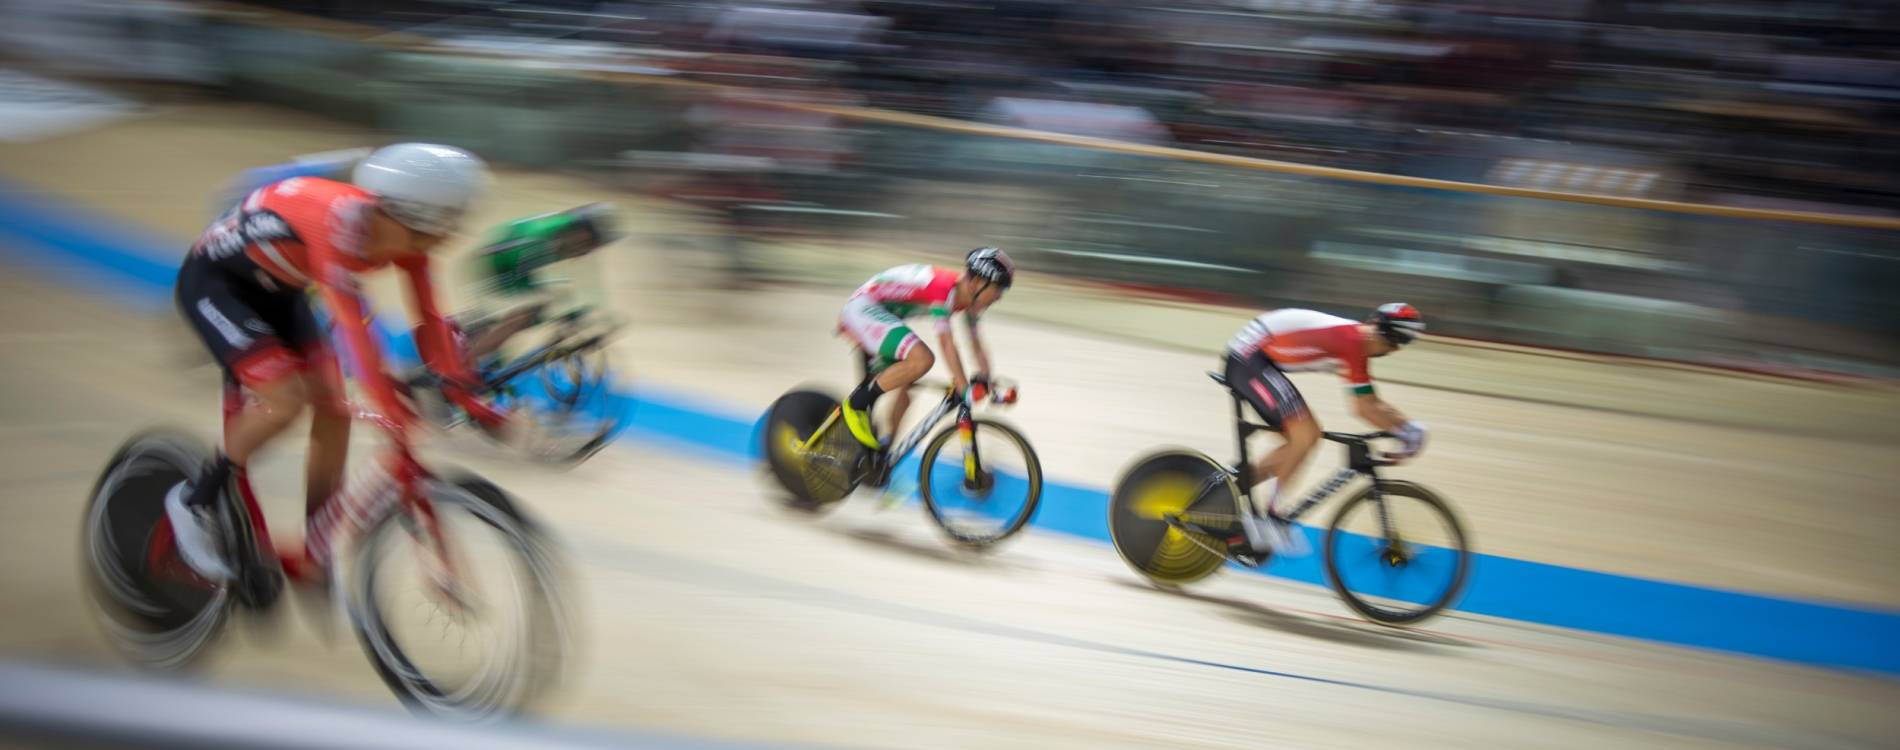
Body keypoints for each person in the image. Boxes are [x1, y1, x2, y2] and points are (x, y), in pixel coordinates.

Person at [166, 142, 501, 583]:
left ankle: (315, 551)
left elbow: (430, 318)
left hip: (282, 292)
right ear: (408, 215)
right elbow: (353, 326)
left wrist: (467, 391)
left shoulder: (409, 237)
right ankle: (195, 500)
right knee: (285, 400)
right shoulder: (338, 224)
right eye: (444, 227)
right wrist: (388, 402)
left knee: (334, 410)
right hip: (217, 284)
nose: (448, 238)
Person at [1221, 303, 1429, 556]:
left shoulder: (1356, 339)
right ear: (1396, 345)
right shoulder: (1355, 343)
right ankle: (1271, 520)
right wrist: (1408, 430)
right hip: (1250, 356)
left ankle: (1227, 492)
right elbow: (1366, 408)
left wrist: (1406, 429)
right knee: (1306, 434)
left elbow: (1370, 404)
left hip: (1254, 354)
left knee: (1299, 443)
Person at [836, 247, 1014, 451]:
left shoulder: (969, 302)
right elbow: (947, 343)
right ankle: (857, 404)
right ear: (977, 283)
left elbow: (976, 344)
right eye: (998, 289)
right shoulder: (943, 289)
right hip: (863, 308)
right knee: (922, 359)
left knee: (906, 383)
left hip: (881, 313)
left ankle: (882, 454)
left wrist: (986, 378)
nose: (999, 297)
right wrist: (964, 388)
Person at [454, 203, 621, 369]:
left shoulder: (569, 234)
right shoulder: (547, 235)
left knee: (546, 303)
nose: (590, 251)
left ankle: (478, 333)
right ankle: (463, 362)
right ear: (583, 232)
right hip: (500, 262)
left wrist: (597, 309)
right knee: (521, 317)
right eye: (593, 243)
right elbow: (521, 270)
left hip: (515, 264)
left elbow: (589, 279)